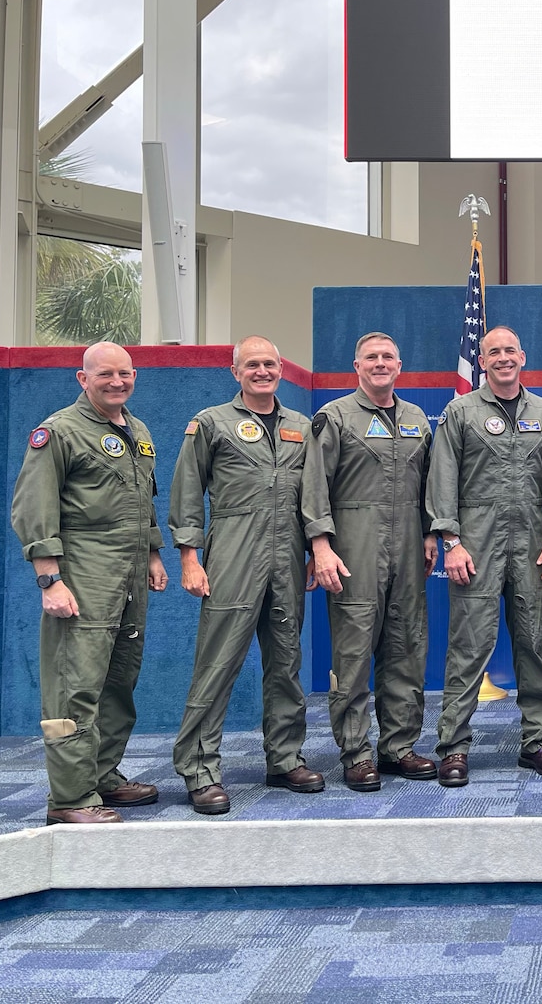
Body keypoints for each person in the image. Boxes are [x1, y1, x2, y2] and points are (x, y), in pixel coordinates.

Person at [10, 341, 168, 824]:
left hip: (128, 575)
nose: (116, 381)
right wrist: (49, 580)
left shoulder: (136, 430)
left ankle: (102, 776)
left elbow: (144, 498)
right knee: (75, 685)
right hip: (83, 573)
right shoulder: (58, 432)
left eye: (125, 373)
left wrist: (154, 554)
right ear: (83, 379)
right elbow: (33, 507)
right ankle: (71, 798)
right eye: (105, 374)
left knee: (119, 680)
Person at [168, 336, 324, 815]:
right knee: (218, 662)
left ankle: (284, 758)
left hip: (288, 554)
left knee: (286, 663)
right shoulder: (212, 423)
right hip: (233, 549)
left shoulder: (301, 425)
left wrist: (317, 547)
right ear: (235, 371)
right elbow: (188, 492)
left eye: (270, 363)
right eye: (252, 364)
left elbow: (314, 493)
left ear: (280, 370)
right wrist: (189, 558)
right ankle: (199, 770)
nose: (262, 371)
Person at [428, 325, 542, 787]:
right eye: (493, 352)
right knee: (468, 648)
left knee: (534, 645)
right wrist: (451, 540)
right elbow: (442, 479)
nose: (503, 358)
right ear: (481, 361)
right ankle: (453, 747)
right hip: (476, 544)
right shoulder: (459, 411)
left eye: (510, 350)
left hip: (531, 544)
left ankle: (538, 742)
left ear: (523, 357)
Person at [302, 332, 438, 790]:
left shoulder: (418, 418)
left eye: (388, 357)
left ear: (400, 366)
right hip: (354, 544)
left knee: (405, 646)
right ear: (356, 366)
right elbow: (315, 486)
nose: (380, 363)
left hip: (408, 543)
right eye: (371, 357)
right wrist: (320, 545)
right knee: (355, 650)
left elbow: (427, 485)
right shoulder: (335, 417)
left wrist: (430, 532)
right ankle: (356, 752)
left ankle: (398, 746)